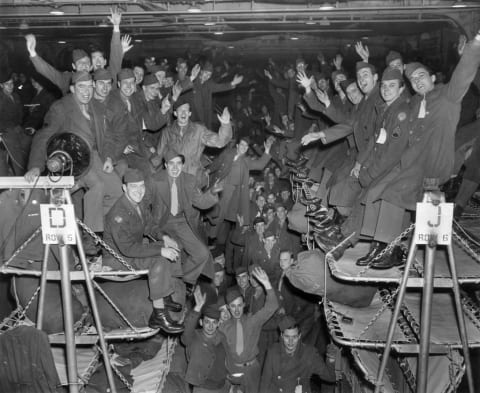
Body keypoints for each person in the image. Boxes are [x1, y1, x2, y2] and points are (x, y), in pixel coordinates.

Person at [25, 71, 123, 234]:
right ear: (72, 88)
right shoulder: (61, 107)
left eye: (89, 87)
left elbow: (109, 136)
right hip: (73, 161)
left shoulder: (97, 106)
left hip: (95, 157)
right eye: (81, 87)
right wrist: (36, 166)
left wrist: (108, 157)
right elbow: (43, 137)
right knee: (97, 186)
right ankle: (93, 238)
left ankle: (93, 226)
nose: (86, 91)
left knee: (117, 191)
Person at [103, 168, 184, 333]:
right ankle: (159, 314)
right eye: (134, 187)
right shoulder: (118, 214)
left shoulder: (138, 204)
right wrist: (159, 251)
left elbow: (150, 226)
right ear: (124, 188)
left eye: (142, 186)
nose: (139, 191)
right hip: (118, 258)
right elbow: (127, 249)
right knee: (160, 260)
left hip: (133, 248)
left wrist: (164, 238)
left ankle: (165, 293)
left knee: (174, 246)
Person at [148, 149, 223, 289]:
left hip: (182, 221)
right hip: (163, 223)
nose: (175, 168)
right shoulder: (155, 180)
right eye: (171, 164)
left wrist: (212, 192)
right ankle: (171, 281)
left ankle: (185, 279)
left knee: (202, 254)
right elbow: (145, 204)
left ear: (182, 165)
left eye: (178, 164)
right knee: (174, 252)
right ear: (165, 165)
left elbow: (200, 201)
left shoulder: (189, 180)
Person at [25, 8, 126, 95]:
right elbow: (49, 72)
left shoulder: (98, 78)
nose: (84, 65)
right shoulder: (67, 80)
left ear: (91, 66)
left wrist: (116, 28)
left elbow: (115, 62)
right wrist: (33, 54)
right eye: (80, 63)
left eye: (87, 62)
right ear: (73, 66)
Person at [219, 266, 279, 393]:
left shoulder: (252, 321)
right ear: (228, 308)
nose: (236, 310)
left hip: (253, 369)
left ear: (244, 305)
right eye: (233, 306)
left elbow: (272, 306)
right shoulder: (223, 327)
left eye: (239, 305)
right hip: (234, 370)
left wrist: (267, 283)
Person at [153, 98, 233, 184]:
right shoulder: (167, 132)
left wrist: (225, 125)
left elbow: (220, 142)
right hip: (173, 178)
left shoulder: (199, 130)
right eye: (180, 110)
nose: (183, 113)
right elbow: (159, 156)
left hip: (192, 179)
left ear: (190, 113)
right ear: (175, 113)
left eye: (186, 110)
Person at [259, 315, 336, 393]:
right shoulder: (272, 352)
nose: (290, 342)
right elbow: (265, 382)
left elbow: (331, 377)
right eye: (287, 337)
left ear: (299, 336)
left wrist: (332, 358)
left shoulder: (309, 354)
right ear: (281, 336)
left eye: (294, 337)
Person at [181, 287, 229, 393]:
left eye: (214, 322)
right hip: (202, 388)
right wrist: (197, 308)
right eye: (207, 322)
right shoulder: (193, 337)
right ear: (201, 322)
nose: (210, 326)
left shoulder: (222, 337)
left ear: (218, 323)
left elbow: (228, 360)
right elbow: (186, 331)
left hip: (221, 386)